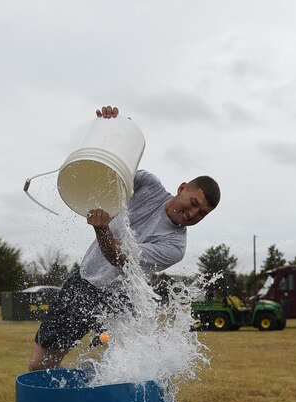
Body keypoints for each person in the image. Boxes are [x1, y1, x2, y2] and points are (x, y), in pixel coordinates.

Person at [28, 105, 221, 371]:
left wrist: (101, 228)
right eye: (194, 202)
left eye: (202, 213)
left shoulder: (175, 246)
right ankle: (71, 397)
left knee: (126, 373)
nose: (193, 213)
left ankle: (107, 399)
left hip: (122, 303)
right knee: (40, 366)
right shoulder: (149, 185)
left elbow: (120, 258)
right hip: (84, 283)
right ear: (183, 188)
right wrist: (112, 129)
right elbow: (112, 167)